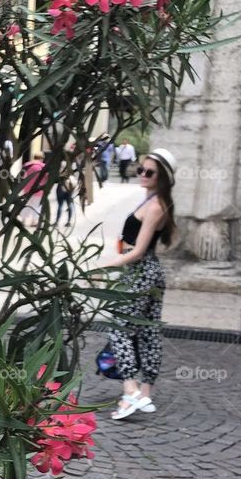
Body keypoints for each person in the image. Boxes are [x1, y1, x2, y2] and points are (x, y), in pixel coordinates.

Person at [99, 148, 177, 420]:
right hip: (148, 272)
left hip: (140, 271)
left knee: (120, 327)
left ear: (163, 177)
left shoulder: (156, 206)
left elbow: (138, 251)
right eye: (140, 169)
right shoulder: (155, 201)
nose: (142, 175)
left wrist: (107, 264)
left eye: (150, 172)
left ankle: (131, 390)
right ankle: (145, 395)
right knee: (148, 332)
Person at [54, 152, 75, 228]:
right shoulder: (72, 164)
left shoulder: (60, 164)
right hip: (70, 185)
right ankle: (69, 221)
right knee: (69, 204)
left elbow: (57, 175)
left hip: (61, 185)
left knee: (60, 205)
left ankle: (57, 221)